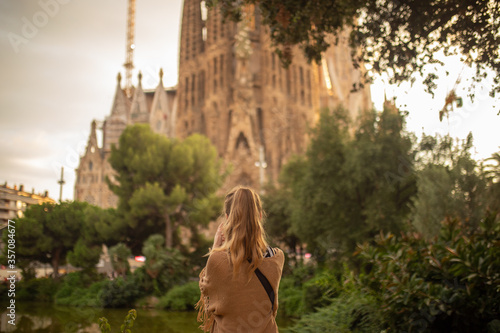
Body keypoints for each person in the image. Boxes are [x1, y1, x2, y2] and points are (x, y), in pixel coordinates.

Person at [196, 186, 285, 333]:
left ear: (227, 218)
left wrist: (216, 247)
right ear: (260, 217)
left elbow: (207, 292)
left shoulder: (218, 261)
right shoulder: (276, 258)